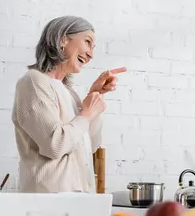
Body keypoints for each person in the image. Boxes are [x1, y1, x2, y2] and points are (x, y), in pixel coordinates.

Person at [12, 15, 125, 194]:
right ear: (63, 39)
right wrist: (86, 114)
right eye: (87, 42)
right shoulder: (34, 82)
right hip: (48, 201)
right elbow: (55, 145)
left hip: (78, 198)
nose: (91, 54)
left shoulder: (68, 92)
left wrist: (94, 95)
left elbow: (91, 144)